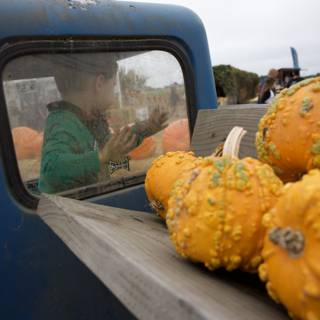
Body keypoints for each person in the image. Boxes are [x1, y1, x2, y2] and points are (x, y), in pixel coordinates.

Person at [38, 53, 168, 193]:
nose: (114, 93)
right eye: (113, 85)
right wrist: (102, 157)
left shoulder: (91, 120)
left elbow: (114, 145)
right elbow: (51, 170)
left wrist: (146, 127)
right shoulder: (63, 122)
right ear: (99, 83)